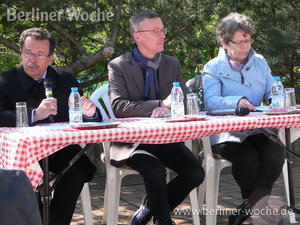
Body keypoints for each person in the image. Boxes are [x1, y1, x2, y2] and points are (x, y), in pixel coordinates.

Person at [108, 12, 204, 225]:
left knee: (195, 173)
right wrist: (159, 105)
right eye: (155, 31)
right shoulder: (118, 65)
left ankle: (148, 209)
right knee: (155, 170)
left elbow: (185, 101)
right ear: (137, 36)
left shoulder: (171, 64)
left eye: (163, 30)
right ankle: (163, 220)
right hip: (131, 142)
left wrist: (174, 106)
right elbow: (118, 107)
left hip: (164, 139)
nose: (162, 35)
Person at [0, 28, 101, 225]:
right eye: (28, 53)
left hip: (58, 147)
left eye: (39, 55)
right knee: (28, 178)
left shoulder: (65, 79)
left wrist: (91, 113)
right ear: (21, 53)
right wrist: (34, 114)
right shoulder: (5, 81)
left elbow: (84, 116)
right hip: (20, 151)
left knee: (80, 168)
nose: (32, 60)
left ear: (51, 58)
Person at [203, 13, 284, 225]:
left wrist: (276, 97)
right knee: (248, 158)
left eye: (247, 40)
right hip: (224, 133)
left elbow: (273, 90)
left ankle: (249, 208)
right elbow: (211, 101)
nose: (244, 46)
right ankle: (261, 210)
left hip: (256, 128)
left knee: (276, 152)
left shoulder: (259, 62)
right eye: (238, 42)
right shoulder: (212, 67)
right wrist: (236, 101)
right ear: (223, 42)